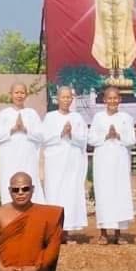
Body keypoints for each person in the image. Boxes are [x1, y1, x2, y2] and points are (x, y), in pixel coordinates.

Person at [38, 86, 90, 239]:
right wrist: (60, 133)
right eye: (63, 97)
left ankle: (67, 230)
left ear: (72, 99)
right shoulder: (50, 117)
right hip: (55, 162)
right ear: (57, 98)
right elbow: (44, 139)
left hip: (72, 162)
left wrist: (71, 134)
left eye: (69, 97)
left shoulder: (77, 118)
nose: (66, 100)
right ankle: (55, 231)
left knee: (71, 192)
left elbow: (83, 140)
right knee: (54, 192)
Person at [89, 84, 136, 245]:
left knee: (120, 194)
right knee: (104, 195)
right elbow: (91, 139)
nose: (112, 101)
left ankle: (118, 233)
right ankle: (103, 233)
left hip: (120, 161)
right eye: (109, 98)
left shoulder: (126, 118)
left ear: (120, 99)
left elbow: (132, 140)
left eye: (115, 98)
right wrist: (105, 135)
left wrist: (118, 135)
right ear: (104, 100)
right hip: (103, 161)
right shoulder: (98, 118)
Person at [0, 84, 41, 204]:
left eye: (22, 93)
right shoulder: (4, 114)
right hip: (9, 158)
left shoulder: (32, 113)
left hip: (28, 157)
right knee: (9, 183)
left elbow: (41, 135)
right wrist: (12, 129)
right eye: (16, 93)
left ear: (26, 95)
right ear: (11, 94)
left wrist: (25, 130)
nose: (19, 95)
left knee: (29, 183)